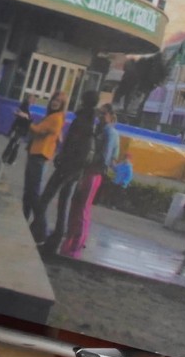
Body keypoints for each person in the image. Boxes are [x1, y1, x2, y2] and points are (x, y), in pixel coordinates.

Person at [38, 91, 99, 256]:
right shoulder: (90, 120)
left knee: (45, 199)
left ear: (84, 100)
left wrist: (64, 160)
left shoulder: (82, 121)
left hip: (68, 167)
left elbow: (75, 145)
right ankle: (54, 239)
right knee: (63, 204)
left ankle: (41, 232)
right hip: (74, 169)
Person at [60, 101, 120, 257]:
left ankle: (78, 242)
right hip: (85, 171)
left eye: (103, 113)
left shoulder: (109, 133)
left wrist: (88, 163)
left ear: (111, 116)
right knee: (76, 204)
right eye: (99, 112)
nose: (100, 116)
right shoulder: (97, 129)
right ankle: (71, 237)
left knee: (83, 207)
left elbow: (105, 157)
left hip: (94, 173)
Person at [21, 91, 67, 241]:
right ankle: (23, 220)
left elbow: (39, 130)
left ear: (62, 105)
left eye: (58, 101)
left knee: (33, 193)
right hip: (35, 153)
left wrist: (27, 120)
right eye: (54, 99)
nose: (55, 102)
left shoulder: (56, 118)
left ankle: (42, 228)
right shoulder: (51, 116)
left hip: (40, 156)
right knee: (28, 192)